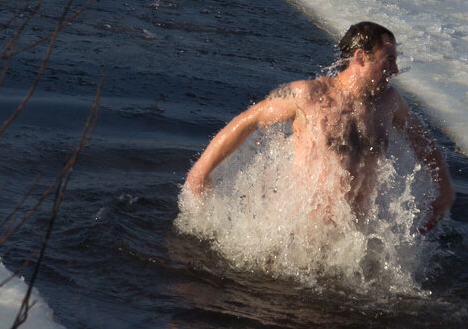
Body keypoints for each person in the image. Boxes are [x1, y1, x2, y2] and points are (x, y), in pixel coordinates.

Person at [184, 22, 454, 234]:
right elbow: (247, 122)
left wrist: (444, 189)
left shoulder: (390, 102)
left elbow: (422, 140)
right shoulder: (307, 95)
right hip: (301, 234)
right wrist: (199, 173)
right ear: (360, 58)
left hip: (354, 238)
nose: (395, 70)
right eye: (388, 60)